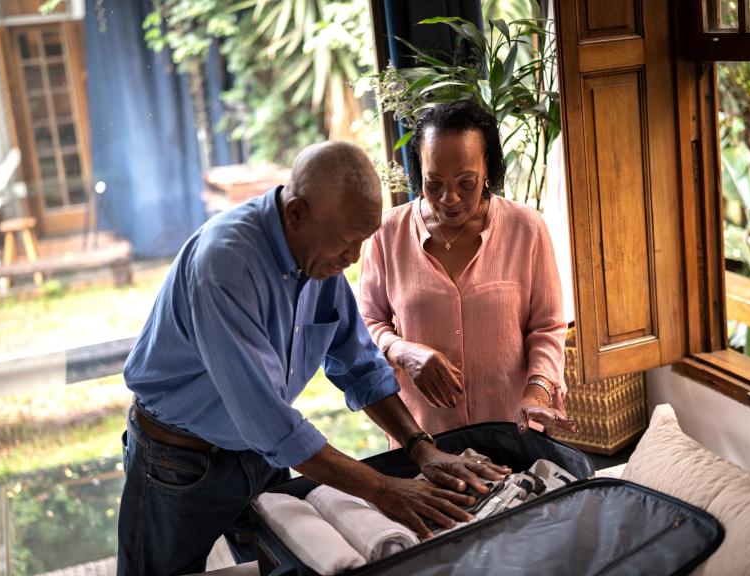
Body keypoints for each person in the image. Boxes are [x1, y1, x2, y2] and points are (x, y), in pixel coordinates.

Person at [118, 141, 509, 575]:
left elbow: (359, 366)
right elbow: (274, 427)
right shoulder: (224, 266)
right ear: (296, 213)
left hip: (260, 456)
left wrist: (421, 449)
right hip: (178, 462)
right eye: (347, 242)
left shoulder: (320, 258)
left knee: (286, 562)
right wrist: (384, 490)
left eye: (362, 242)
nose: (354, 258)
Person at [359, 100, 577, 446]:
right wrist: (403, 351)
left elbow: (547, 326)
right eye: (434, 183)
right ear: (418, 172)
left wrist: (538, 390)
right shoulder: (388, 234)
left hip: (512, 432)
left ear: (487, 167)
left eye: (466, 182)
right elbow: (368, 324)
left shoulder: (526, 229)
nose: (449, 198)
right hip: (423, 439)